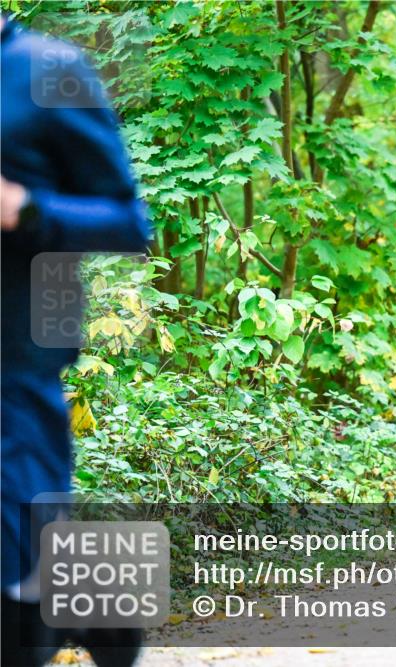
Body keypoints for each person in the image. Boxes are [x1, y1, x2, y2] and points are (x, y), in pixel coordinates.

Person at [1, 14, 149, 666]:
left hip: (15, 362)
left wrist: (27, 209)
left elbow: (128, 220)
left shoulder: (47, 69)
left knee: (16, 584)